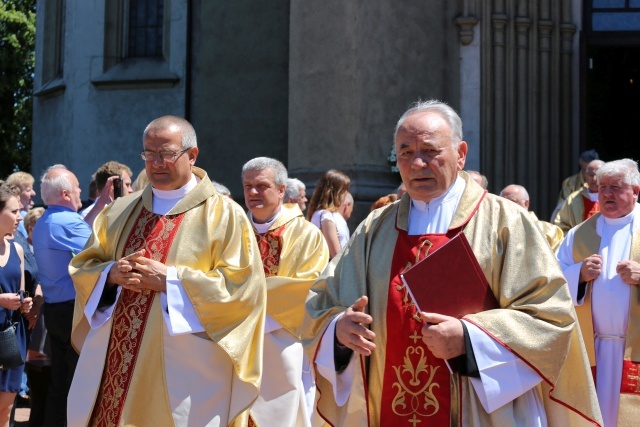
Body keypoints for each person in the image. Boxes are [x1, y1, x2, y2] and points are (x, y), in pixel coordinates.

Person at [302, 100, 602, 426]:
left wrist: (470, 338)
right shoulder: (374, 229)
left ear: (460, 153)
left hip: (479, 409)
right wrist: (338, 331)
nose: (417, 163)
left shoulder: (506, 222)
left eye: (430, 151)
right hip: (385, 404)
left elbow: (552, 318)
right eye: (405, 152)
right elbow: (321, 302)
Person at [67, 115, 266, 426]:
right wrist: (110, 275)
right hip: (113, 367)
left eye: (166, 153)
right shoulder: (119, 212)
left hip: (185, 375)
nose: (156, 163)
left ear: (192, 154)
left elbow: (242, 291)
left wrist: (170, 281)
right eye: (148, 153)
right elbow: (83, 267)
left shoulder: (224, 215)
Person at [242, 157, 329, 426]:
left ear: (281, 190)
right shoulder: (234, 231)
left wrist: (239, 298)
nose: (253, 193)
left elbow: (308, 289)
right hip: (234, 342)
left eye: (261, 185)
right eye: (247, 186)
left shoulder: (306, 235)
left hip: (282, 342)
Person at [555, 158, 640, 427]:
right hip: (592, 349)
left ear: (636, 190)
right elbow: (551, 282)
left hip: (634, 350)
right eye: (602, 188)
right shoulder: (579, 235)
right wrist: (577, 274)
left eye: (615, 187)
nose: (606, 194)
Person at [31, 164, 92, 427]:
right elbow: (101, 252)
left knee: (60, 381)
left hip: (55, 310)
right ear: (66, 194)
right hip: (72, 312)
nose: (80, 192)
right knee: (77, 381)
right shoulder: (67, 221)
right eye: (77, 187)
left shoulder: (45, 220)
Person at [0, 183, 33, 427]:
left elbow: (20, 291)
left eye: (20, 211)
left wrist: (25, 304)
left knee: (6, 407)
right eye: (13, 211)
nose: (19, 217)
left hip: (11, 337)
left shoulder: (18, 249)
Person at [500, 184, 564, 251]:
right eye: (502, 202)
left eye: (512, 201)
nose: (505, 206)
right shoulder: (496, 231)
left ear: (526, 203)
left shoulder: (550, 231)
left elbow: (558, 259)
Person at [307, 170, 351, 258]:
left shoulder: (330, 214)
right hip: (333, 268)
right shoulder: (325, 216)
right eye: (344, 189)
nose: (346, 193)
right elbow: (336, 255)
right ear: (336, 192)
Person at [554, 159, 604, 234]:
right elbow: (561, 224)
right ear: (586, 176)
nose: (594, 179)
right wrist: (575, 239)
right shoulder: (573, 199)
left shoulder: (612, 197)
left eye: (597, 175)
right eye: (591, 175)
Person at [81, 161, 134, 226]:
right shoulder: (88, 214)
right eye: (127, 185)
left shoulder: (129, 210)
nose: (131, 190)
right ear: (113, 186)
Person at [551, 149, 600, 221]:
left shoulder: (609, 187)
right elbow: (561, 210)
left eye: (594, 172)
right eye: (585, 170)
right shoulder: (570, 183)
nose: (593, 178)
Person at [5, 172, 37, 239]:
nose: (34, 193)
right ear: (16, 193)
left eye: (32, 189)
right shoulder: (19, 218)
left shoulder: (25, 214)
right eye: (28, 190)